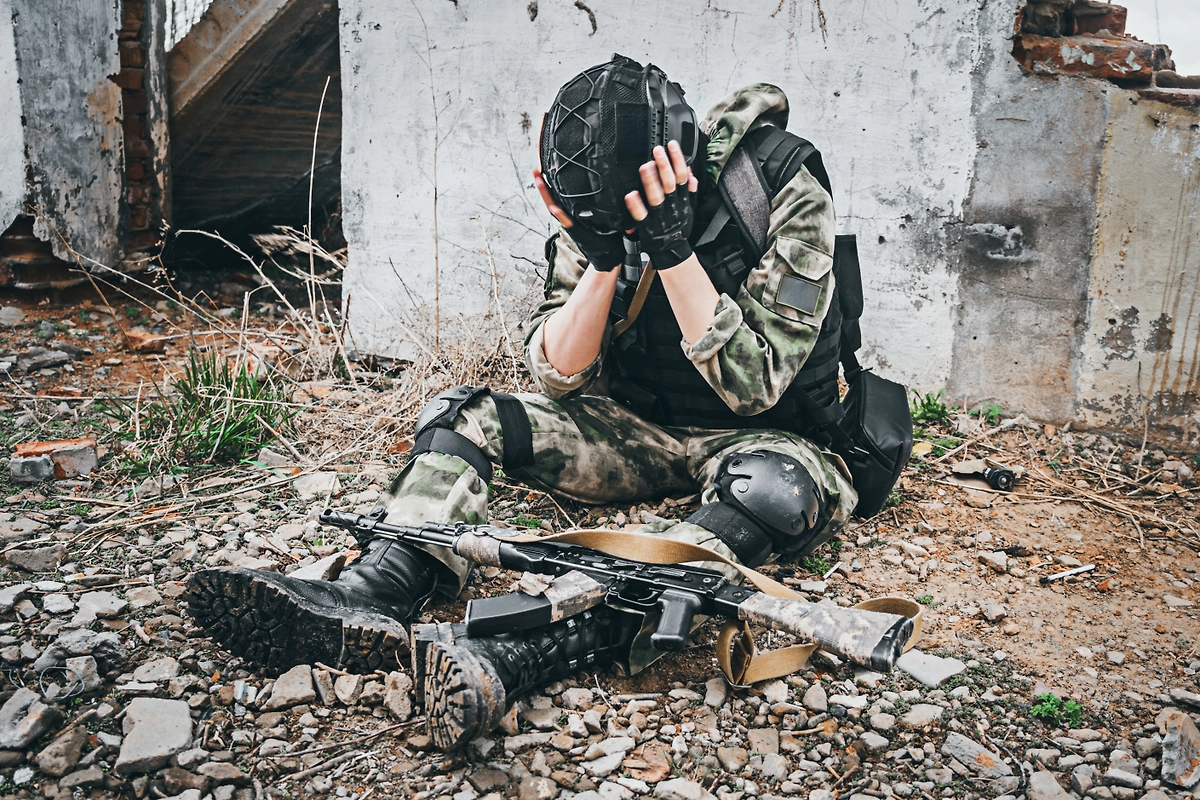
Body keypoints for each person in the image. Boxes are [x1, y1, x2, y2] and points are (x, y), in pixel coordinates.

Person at [186, 54, 857, 751]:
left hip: (770, 441)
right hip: (634, 429)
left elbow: (756, 386)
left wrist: (670, 248)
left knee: (773, 491)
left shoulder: (780, 182)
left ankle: (538, 645)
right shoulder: (600, 192)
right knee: (462, 416)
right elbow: (558, 377)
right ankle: (378, 591)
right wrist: (605, 259)